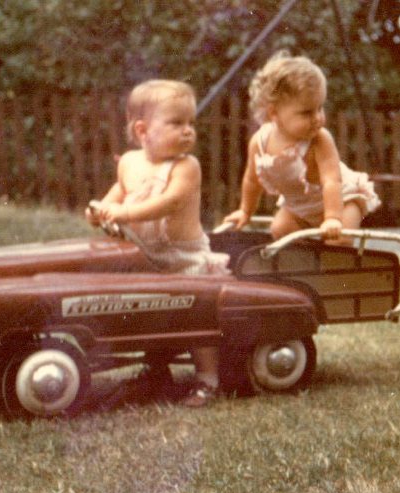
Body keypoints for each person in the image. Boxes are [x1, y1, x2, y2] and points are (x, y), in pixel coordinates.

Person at [87, 79, 229, 408]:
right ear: (142, 130)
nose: (188, 131)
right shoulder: (129, 163)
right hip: (145, 253)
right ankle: (156, 369)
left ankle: (208, 380)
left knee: (197, 316)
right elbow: (118, 193)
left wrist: (123, 213)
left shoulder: (186, 167)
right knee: (150, 313)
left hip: (184, 257)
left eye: (191, 123)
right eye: (177, 123)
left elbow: (169, 203)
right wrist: (101, 209)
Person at [223, 52, 380, 244]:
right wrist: (245, 211)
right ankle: (308, 265)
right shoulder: (260, 142)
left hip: (341, 200)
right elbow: (252, 180)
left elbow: (332, 181)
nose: (317, 118)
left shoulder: (320, 139)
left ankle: (334, 265)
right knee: (280, 229)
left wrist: (332, 217)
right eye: (307, 112)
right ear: (274, 113)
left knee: (339, 240)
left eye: (320, 108)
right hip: (300, 206)